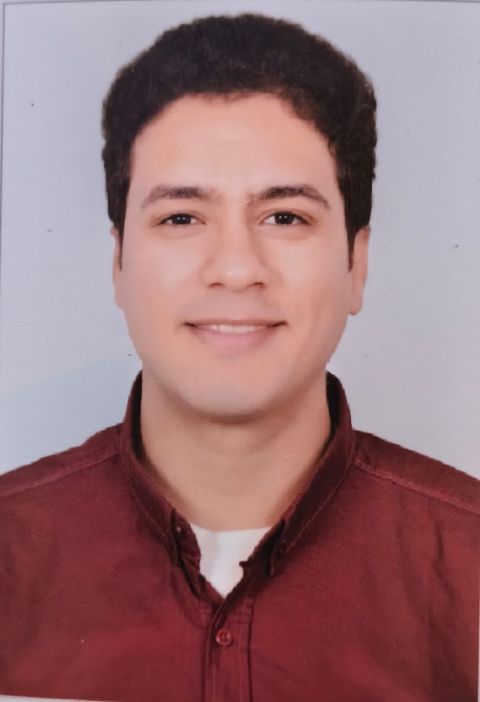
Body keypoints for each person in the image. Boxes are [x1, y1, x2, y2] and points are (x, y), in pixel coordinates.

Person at [0, 12, 478, 702]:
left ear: (357, 264)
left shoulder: (466, 563)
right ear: (119, 263)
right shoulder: (11, 556)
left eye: (285, 217)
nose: (234, 269)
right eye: (181, 218)